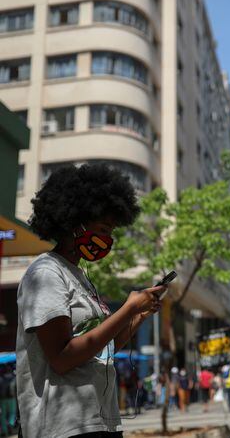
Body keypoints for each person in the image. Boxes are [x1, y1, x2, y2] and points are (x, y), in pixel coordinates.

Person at [16, 164, 166, 438]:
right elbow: (62, 359)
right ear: (74, 223)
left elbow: (99, 351)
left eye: (111, 232)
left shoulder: (80, 277)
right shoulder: (46, 273)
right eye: (103, 229)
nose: (108, 240)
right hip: (63, 427)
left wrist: (137, 318)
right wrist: (128, 307)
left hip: (99, 421)